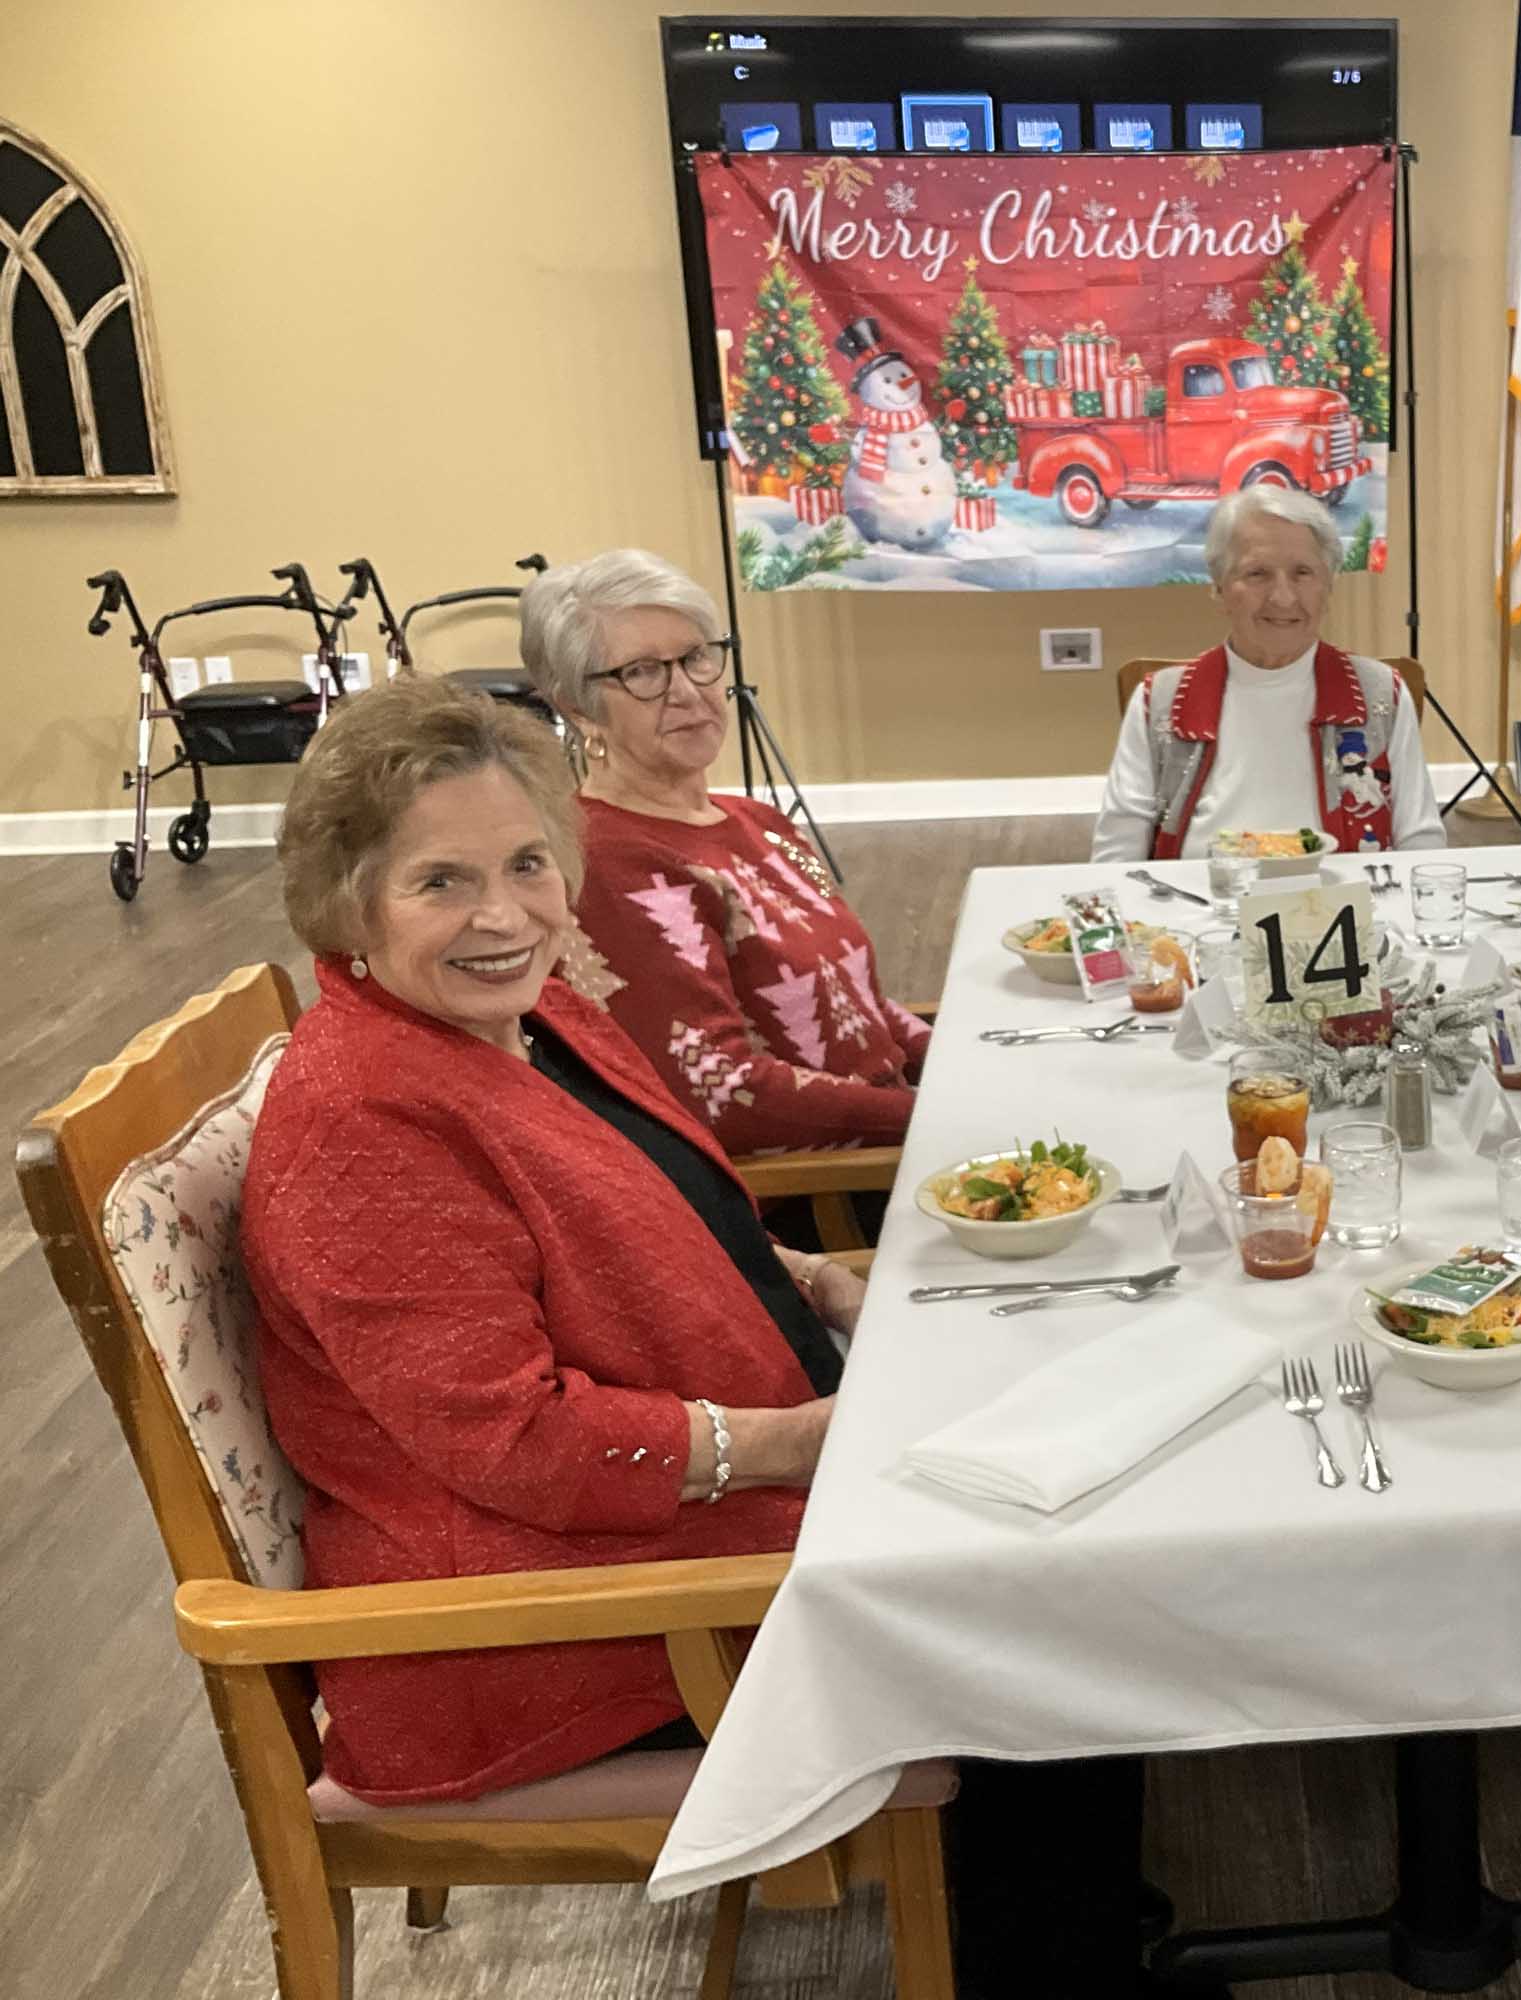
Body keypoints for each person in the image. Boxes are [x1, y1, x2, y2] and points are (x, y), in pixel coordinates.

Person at [243, 679, 1191, 1996]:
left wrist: (817, 1282)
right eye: (440, 881)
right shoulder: (368, 1124)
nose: (504, 914)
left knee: (1080, 1402)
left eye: (527, 863)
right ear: (346, 904)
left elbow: (659, 1210)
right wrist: (811, 1439)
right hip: (545, 1613)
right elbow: (518, 1445)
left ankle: (1074, 1911)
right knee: (1047, 1584)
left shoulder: (534, 1018)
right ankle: (1057, 1964)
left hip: (695, 1471)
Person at [520, 548, 932, 1156]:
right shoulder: (605, 862)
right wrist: (936, 1115)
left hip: (899, 1136)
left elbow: (863, 1007)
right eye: (642, 672)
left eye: (695, 657)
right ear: (578, 707)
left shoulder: (760, 822)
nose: (687, 691)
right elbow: (725, 1093)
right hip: (832, 1183)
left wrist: (966, 1068)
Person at [1093, 487, 1444, 860]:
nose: (1283, 597)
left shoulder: (1380, 694)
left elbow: (1421, 844)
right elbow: (1116, 858)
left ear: (1328, 586)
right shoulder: (1160, 702)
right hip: (1200, 893)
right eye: (1257, 574)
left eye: (1302, 573)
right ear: (1219, 588)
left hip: (1344, 895)